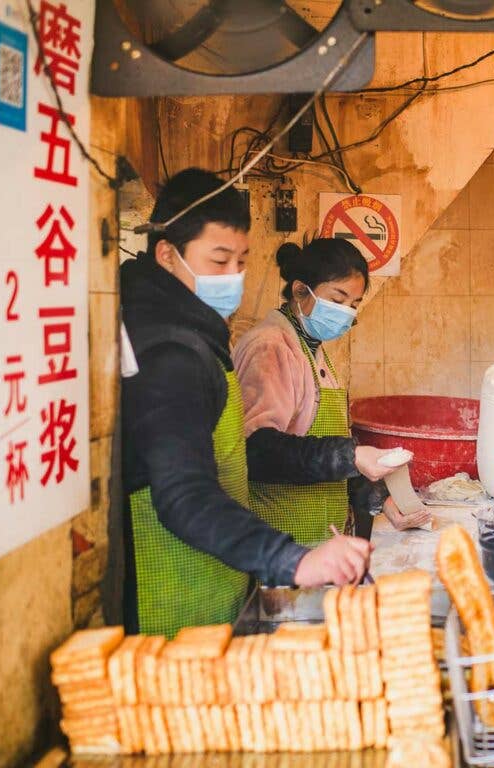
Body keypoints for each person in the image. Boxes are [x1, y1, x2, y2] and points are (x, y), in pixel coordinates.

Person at [120, 168, 371, 637]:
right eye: (218, 261)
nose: (233, 277)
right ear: (167, 255)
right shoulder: (167, 353)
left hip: (216, 584)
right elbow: (184, 496)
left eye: (241, 261)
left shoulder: (194, 336)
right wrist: (292, 560)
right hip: (174, 603)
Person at [233, 238, 431, 546]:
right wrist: (351, 455)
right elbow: (257, 450)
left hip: (319, 537)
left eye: (353, 304)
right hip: (278, 538)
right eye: (337, 300)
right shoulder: (270, 346)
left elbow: (326, 451)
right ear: (301, 291)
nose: (346, 313)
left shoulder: (312, 349)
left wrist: (379, 499)